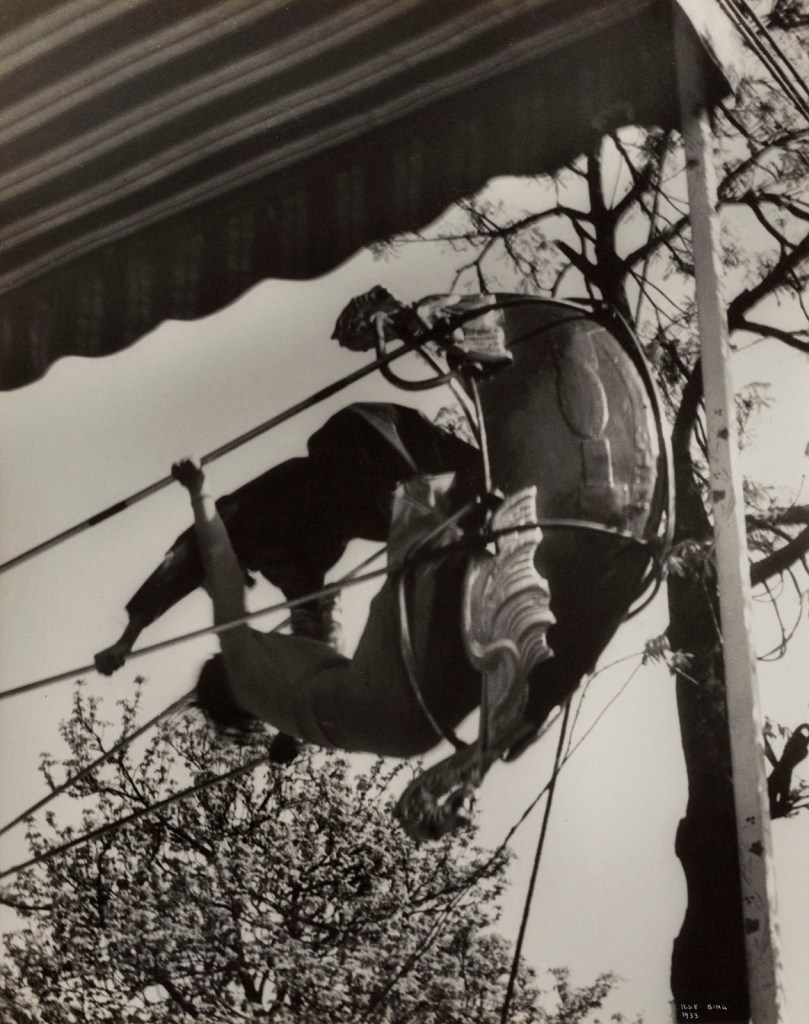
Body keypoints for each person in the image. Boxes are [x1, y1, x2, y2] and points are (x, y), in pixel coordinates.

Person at [94, 403, 480, 674]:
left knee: (409, 492)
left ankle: (472, 477)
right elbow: (314, 638)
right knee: (421, 517)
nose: (222, 591)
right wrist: (293, 731)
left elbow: (177, 568)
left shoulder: (234, 528)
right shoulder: (288, 569)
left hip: (351, 450)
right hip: (364, 487)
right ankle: (473, 490)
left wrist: (126, 641)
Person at [171, 454, 482, 758]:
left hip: (410, 738)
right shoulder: (236, 654)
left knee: (455, 636)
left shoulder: (281, 709)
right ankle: (471, 496)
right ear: (220, 671)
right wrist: (199, 492)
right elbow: (218, 558)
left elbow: (330, 660)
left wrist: (330, 608)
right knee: (416, 542)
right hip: (376, 700)